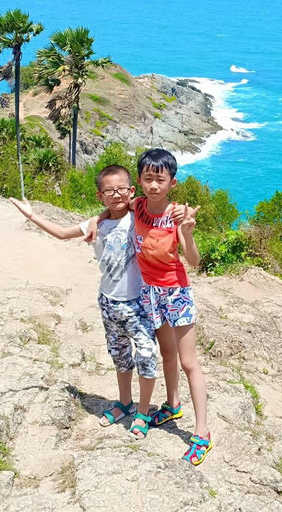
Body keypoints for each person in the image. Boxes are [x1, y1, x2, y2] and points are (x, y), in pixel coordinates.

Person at [10, 165, 157, 440]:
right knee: (120, 356)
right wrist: (31, 215)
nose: (116, 194)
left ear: (131, 191)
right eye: (109, 191)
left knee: (147, 356)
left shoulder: (139, 216)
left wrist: (99, 215)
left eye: (121, 189)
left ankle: (144, 412)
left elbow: (151, 202)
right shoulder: (96, 225)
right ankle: (125, 402)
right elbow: (62, 233)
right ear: (99, 195)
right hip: (109, 301)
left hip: (139, 303)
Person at [88, 149, 212, 465]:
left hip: (176, 293)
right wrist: (96, 217)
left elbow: (194, 262)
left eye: (160, 179)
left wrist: (188, 232)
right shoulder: (138, 205)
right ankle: (172, 406)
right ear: (140, 181)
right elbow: (114, 207)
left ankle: (202, 433)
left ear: (172, 182)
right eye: (148, 178)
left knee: (188, 362)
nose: (153, 185)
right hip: (149, 293)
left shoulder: (177, 214)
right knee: (166, 354)